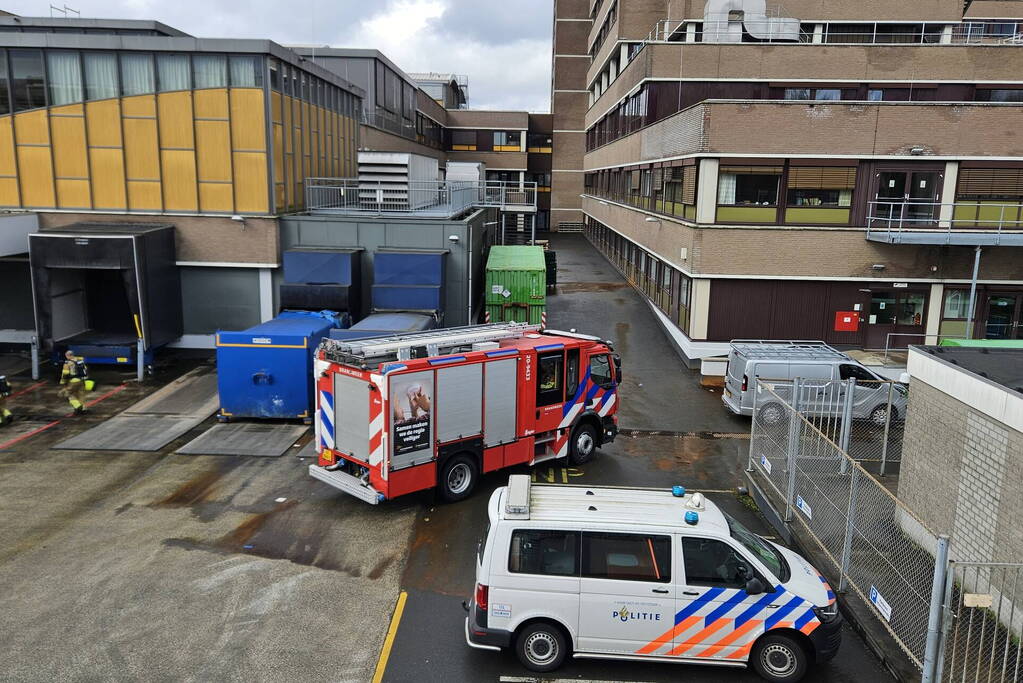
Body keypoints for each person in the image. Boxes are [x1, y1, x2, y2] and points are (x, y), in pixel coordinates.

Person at [59, 350, 88, 415]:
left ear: (68, 356)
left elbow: (65, 374)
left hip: (72, 382)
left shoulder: (67, 363)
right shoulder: (80, 361)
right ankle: (84, 408)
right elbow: (85, 369)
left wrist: (63, 382)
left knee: (68, 394)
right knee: (81, 395)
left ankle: (77, 406)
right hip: (81, 381)